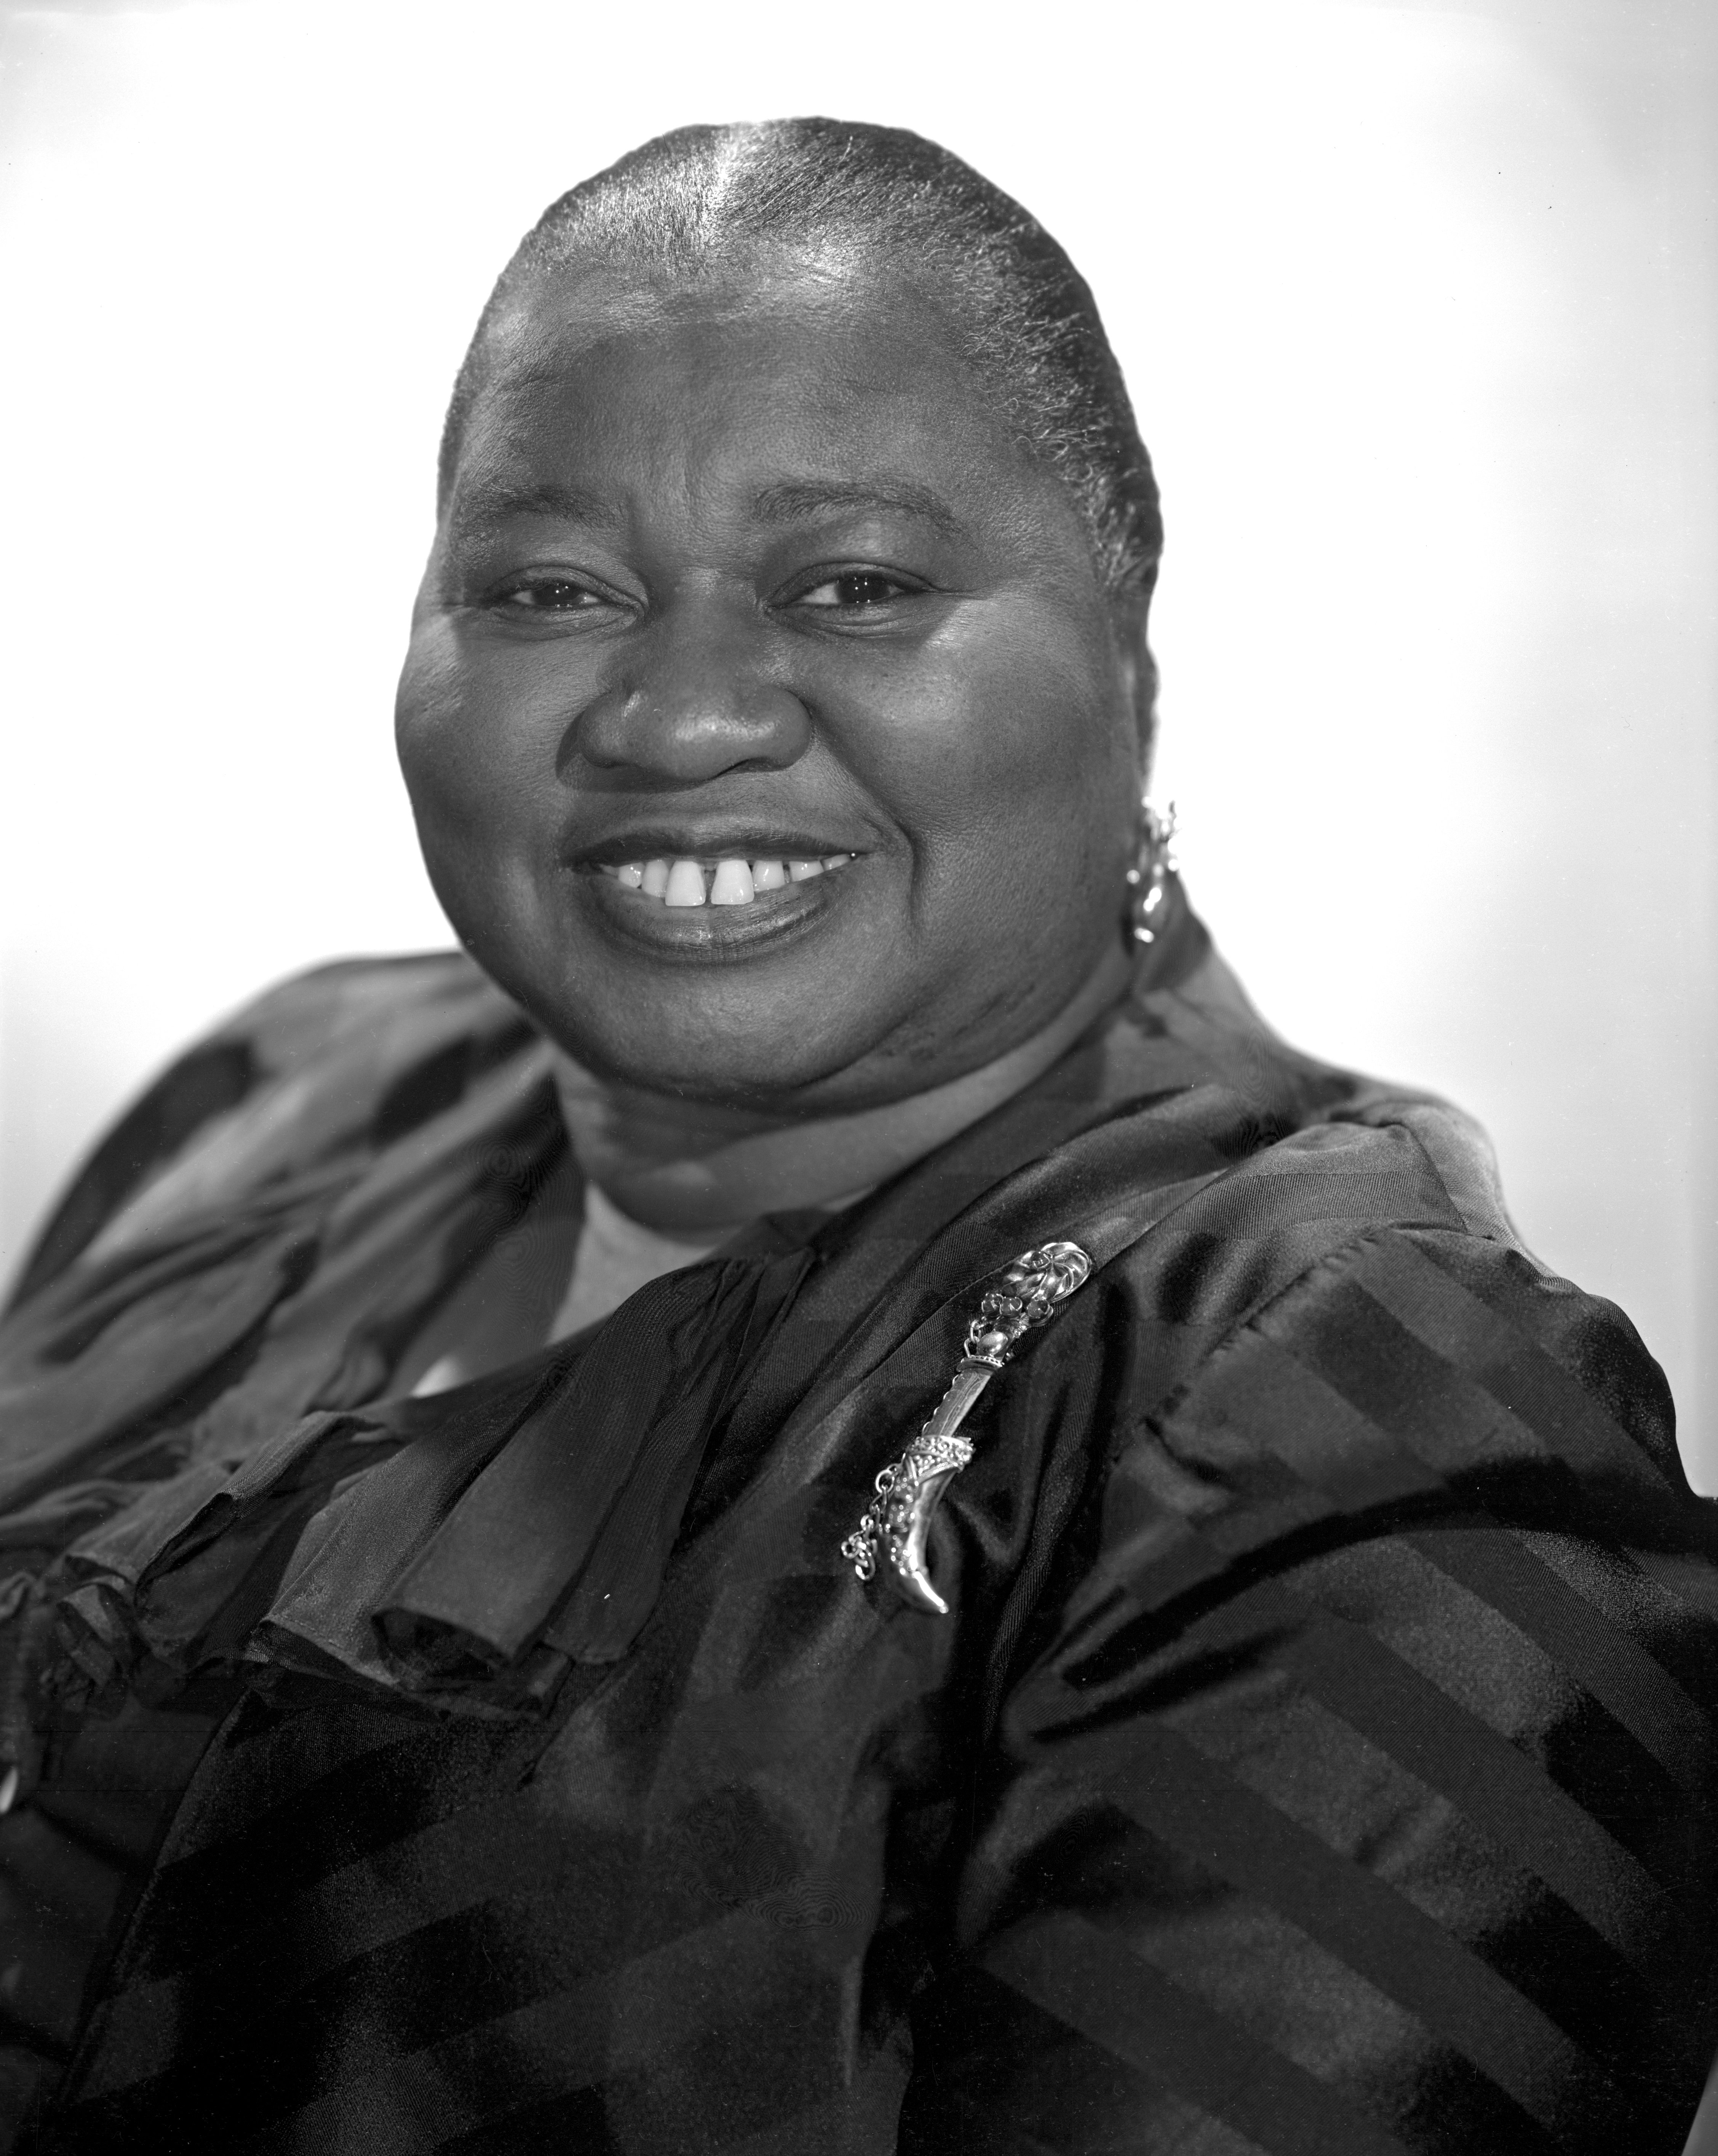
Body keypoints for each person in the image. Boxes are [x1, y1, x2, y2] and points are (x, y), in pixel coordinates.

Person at [0, 116, 1713, 2154]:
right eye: (549, 585)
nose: (678, 710)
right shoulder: (287, 1100)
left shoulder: (1366, 1417)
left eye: (859, 584)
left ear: (1131, 677)